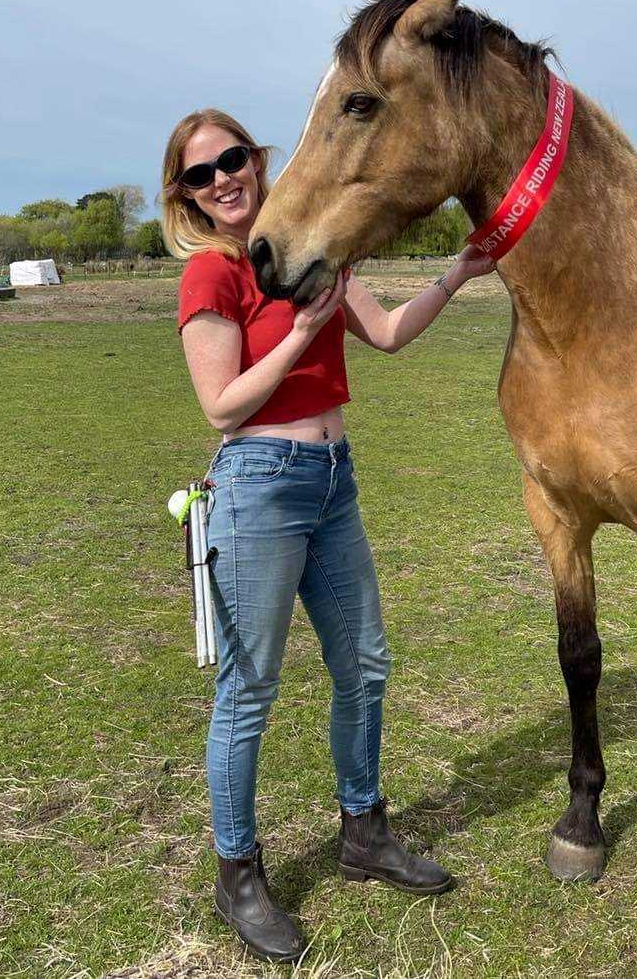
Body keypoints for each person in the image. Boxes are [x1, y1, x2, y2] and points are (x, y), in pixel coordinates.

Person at [161, 107, 494, 963]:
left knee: (366, 664)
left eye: (231, 159)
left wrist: (455, 276)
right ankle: (239, 873)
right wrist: (303, 332)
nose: (222, 180)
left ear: (258, 161)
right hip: (258, 488)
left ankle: (363, 830)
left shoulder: (311, 253)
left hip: (333, 481)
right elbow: (221, 403)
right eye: (201, 174)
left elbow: (382, 334)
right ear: (187, 197)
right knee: (251, 690)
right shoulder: (212, 277)